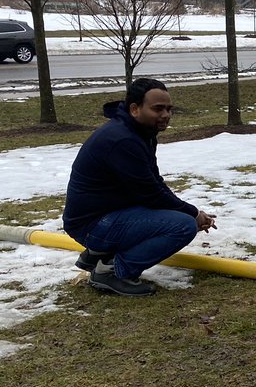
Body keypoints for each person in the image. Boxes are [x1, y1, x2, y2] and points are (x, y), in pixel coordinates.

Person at [62, 78, 216, 297]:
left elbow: (152, 181)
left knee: (179, 216)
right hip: (92, 223)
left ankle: (98, 254)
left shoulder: (140, 132)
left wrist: (187, 210)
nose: (166, 115)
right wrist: (192, 213)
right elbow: (151, 193)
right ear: (134, 109)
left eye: (169, 109)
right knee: (182, 226)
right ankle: (112, 272)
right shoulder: (122, 140)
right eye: (158, 109)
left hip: (108, 214)